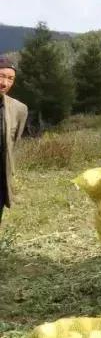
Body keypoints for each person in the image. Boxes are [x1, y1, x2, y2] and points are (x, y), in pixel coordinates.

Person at [0, 56, 28, 226]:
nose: (5, 83)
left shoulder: (19, 109)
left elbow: (13, 143)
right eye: (1, 76)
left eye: (10, 79)